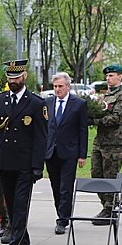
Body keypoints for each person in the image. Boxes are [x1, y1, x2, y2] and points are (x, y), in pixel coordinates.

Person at [0, 59, 47, 245]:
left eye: (16, 77)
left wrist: (37, 166)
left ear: (24, 76)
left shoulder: (36, 103)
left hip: (24, 163)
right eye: (9, 77)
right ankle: (25, 242)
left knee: (21, 205)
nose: (13, 81)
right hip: (5, 162)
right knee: (12, 205)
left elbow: (40, 138)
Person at [45, 72, 89, 234]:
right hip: (51, 151)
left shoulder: (78, 104)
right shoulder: (47, 103)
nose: (58, 89)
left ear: (68, 87)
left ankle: (63, 219)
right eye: (55, 86)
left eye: (61, 86)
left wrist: (82, 154)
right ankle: (61, 213)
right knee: (55, 186)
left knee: (66, 187)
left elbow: (82, 130)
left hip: (69, 152)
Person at [89, 64, 122, 219]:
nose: (108, 78)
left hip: (114, 143)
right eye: (107, 76)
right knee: (96, 174)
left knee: (110, 177)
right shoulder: (106, 95)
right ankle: (106, 205)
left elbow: (118, 117)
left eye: (111, 76)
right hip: (100, 141)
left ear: (119, 77)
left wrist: (95, 120)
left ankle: (110, 209)